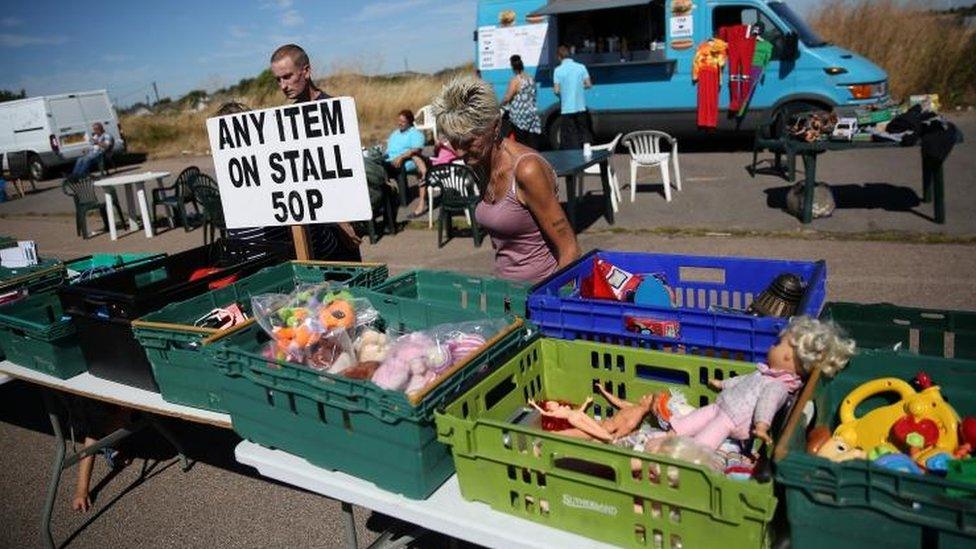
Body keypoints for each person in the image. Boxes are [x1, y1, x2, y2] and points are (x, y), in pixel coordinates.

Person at [432, 77, 580, 283]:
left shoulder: (527, 170)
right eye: (454, 141)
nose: (459, 151)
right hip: (506, 291)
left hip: (540, 291)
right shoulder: (479, 163)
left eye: (468, 141)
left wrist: (550, 301)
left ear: (495, 126)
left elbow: (569, 249)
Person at [269, 44, 362, 261]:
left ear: (306, 71)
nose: (283, 85)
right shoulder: (287, 118)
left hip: (340, 230)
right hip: (311, 231)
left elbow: (345, 173)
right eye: (278, 79)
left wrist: (342, 221)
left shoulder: (332, 111)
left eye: (287, 76)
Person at [383, 109, 428, 218]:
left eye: (403, 122)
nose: (400, 123)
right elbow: (388, 149)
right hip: (389, 160)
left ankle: (403, 200)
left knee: (398, 167)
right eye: (399, 121)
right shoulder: (395, 133)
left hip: (406, 161)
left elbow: (416, 150)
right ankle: (385, 197)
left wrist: (401, 157)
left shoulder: (415, 134)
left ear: (410, 122)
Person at [552, 45, 592, 150]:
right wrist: (578, 86)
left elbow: (556, 90)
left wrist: (563, 92)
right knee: (584, 132)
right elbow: (588, 84)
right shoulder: (581, 67)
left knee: (570, 135)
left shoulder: (557, 70)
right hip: (581, 107)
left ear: (559, 57)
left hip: (567, 109)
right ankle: (587, 152)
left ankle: (575, 157)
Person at [500, 54, 543, 149]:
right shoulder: (531, 78)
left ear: (513, 67)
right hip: (531, 113)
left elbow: (507, 98)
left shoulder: (515, 80)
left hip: (519, 117)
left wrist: (500, 105)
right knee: (532, 142)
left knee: (522, 143)